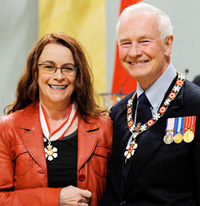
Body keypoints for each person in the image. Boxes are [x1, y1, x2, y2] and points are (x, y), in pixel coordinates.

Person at [100, 3, 200, 205]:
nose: (134, 52)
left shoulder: (195, 104)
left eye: (144, 41)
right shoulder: (117, 113)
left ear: (168, 44)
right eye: (125, 43)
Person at [0, 32, 112, 206]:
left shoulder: (103, 126)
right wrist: (56, 198)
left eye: (68, 68)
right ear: (35, 72)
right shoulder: (8, 128)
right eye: (49, 67)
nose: (59, 76)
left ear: (78, 75)